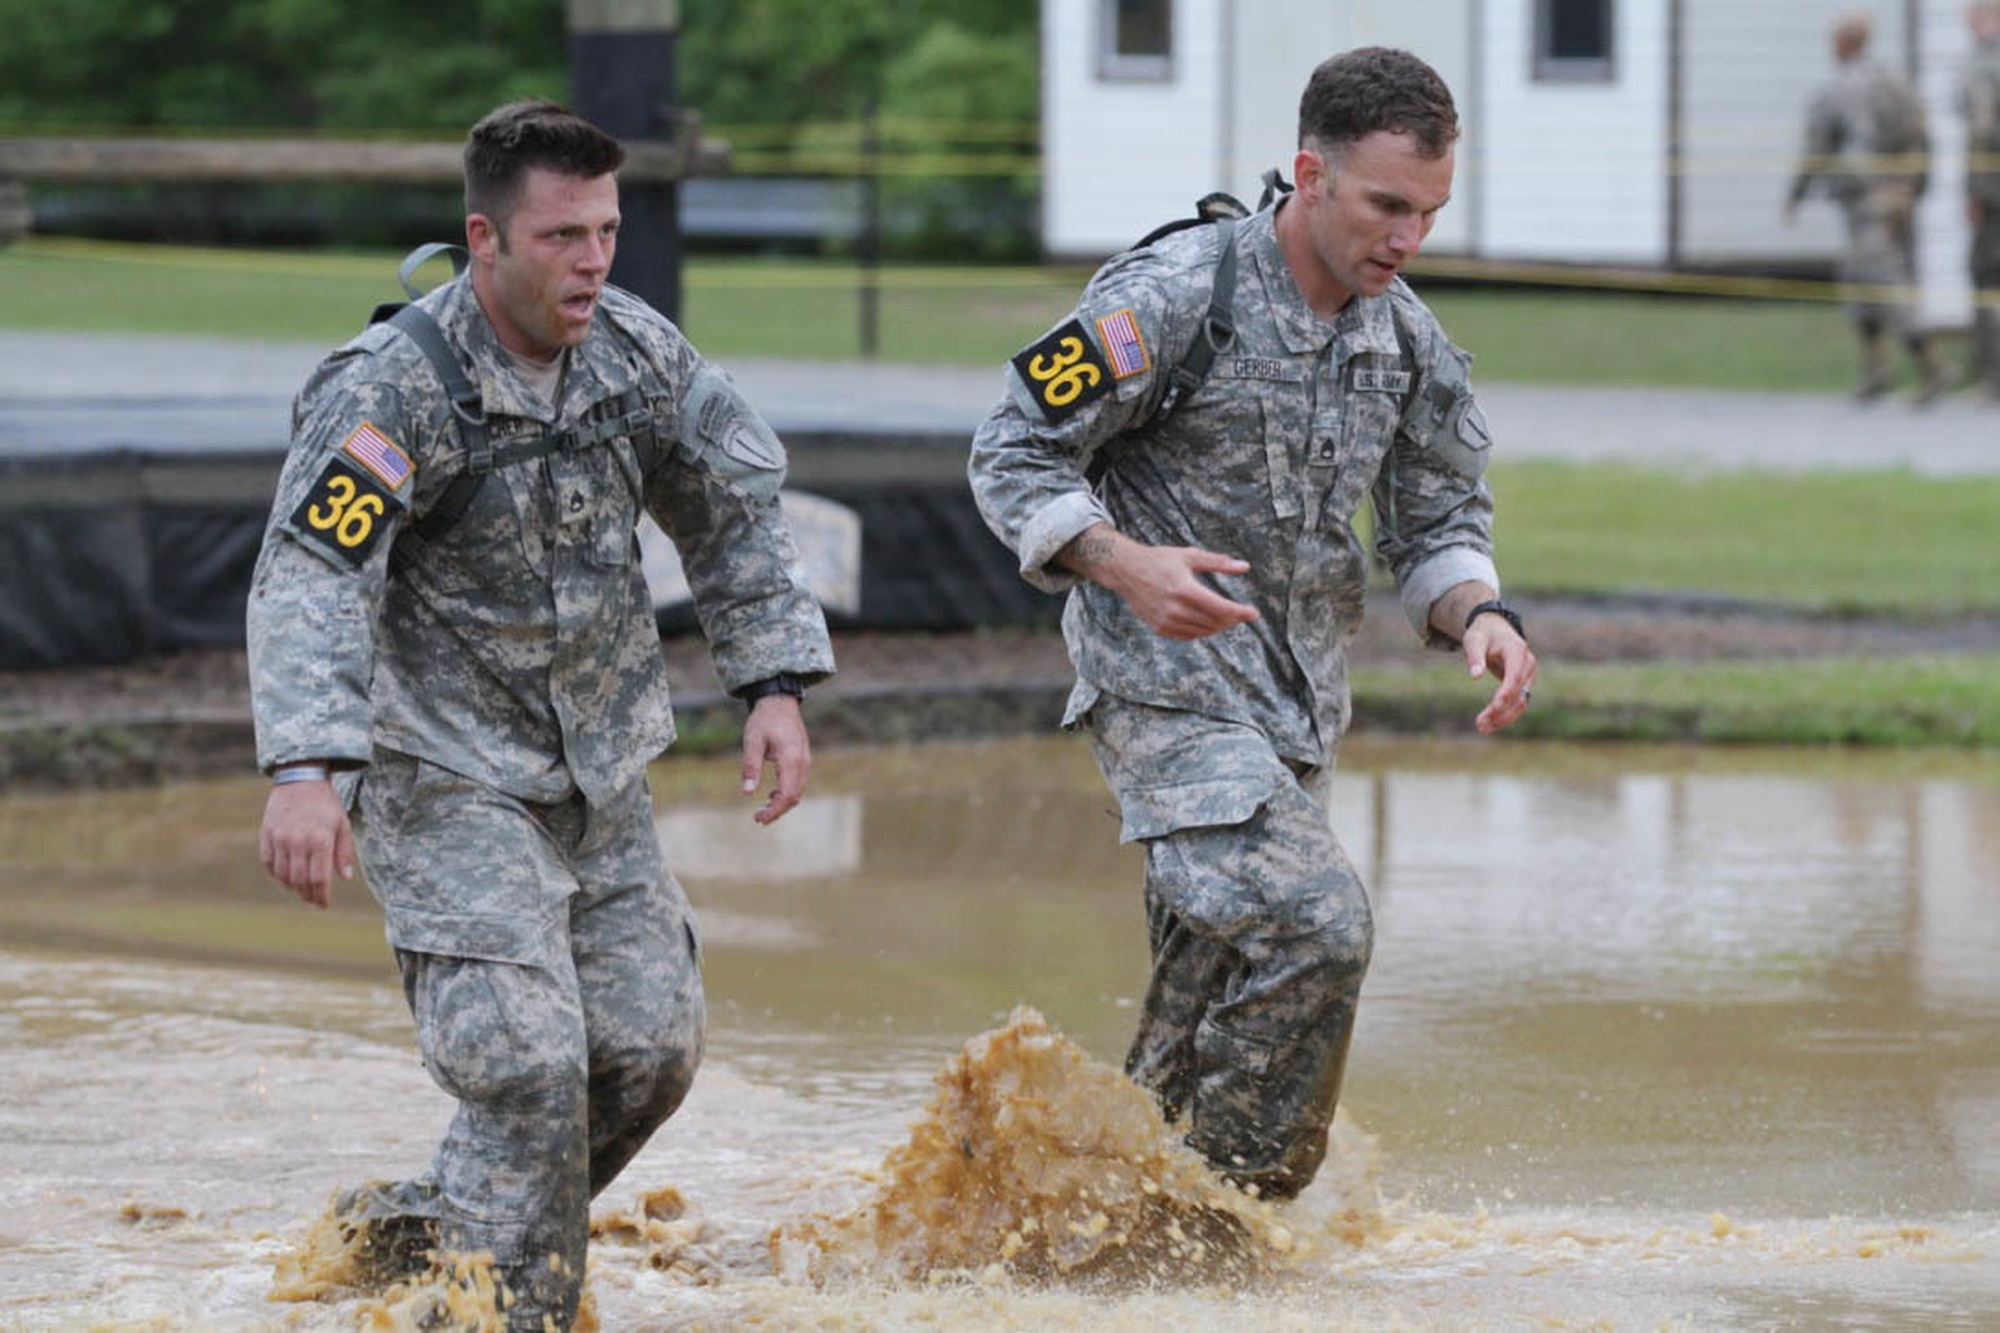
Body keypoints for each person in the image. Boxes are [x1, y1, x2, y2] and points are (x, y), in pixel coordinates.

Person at [248, 100, 834, 1328]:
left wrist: (770, 687)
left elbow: (730, 512)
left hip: (598, 773)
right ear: (485, 239)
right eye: (563, 235)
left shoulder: (637, 355)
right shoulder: (395, 390)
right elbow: (314, 575)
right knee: (523, 1064)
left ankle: (421, 1237)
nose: (593, 261)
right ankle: (516, 1312)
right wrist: (305, 768)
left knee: (645, 1054)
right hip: (441, 770)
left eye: (607, 230)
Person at [967, 47, 1536, 1203]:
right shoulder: (1172, 297)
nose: (1405, 238)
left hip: (1293, 724)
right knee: (1318, 926)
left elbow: (1435, 518)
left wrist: (1479, 614)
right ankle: (1236, 1231)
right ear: (1307, 175)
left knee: (1198, 1018)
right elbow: (1010, 447)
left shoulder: (1404, 338)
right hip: (1164, 699)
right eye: (1384, 205)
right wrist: (1122, 564)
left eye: (1427, 212)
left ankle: (1074, 1229)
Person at [1784, 11, 1952, 403]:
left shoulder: (1838, 88)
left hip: (1865, 201)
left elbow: (1818, 148)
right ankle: (1876, 370)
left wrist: (1796, 194)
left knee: (1878, 284)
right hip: (1901, 196)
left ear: (1845, 42)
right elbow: (1924, 135)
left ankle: (1931, 365)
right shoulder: (1898, 81)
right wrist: (1917, 187)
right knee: (1883, 280)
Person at [1961, 1, 2000, 399]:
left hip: (1993, 194)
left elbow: (1981, 131)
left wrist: (1974, 190)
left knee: (1985, 275)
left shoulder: (1983, 67)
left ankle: (1993, 379)